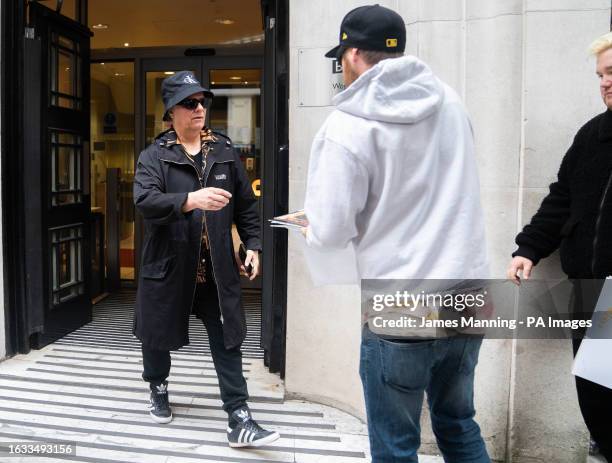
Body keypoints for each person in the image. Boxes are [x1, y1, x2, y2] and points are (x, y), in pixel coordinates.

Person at [303, 5, 491, 462]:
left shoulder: (346, 125)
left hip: (402, 300)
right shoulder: (449, 100)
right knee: (458, 422)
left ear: (350, 55)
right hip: (468, 289)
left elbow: (329, 231)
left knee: (395, 444)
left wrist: (311, 223)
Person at [133, 71, 279, 448]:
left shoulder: (224, 151)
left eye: (202, 101)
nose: (199, 109)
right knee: (157, 334)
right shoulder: (154, 156)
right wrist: (189, 200)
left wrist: (253, 245)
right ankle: (158, 387)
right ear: (171, 111)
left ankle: (239, 414)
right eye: (189, 102)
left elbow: (247, 205)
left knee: (227, 337)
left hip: (216, 267)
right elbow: (146, 202)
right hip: (169, 265)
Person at [507, 31, 612, 463]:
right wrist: (529, 248)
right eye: (601, 75)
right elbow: (561, 198)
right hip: (593, 294)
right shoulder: (593, 135)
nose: (606, 82)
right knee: (598, 395)